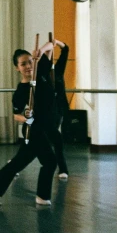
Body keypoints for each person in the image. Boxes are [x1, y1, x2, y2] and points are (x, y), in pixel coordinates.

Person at [0, 41, 58, 206]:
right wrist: (26, 118)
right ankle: (42, 196)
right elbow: (16, 115)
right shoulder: (21, 91)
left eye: (30, 61)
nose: (28, 66)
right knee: (50, 162)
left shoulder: (41, 72)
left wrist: (40, 51)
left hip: (44, 128)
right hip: (33, 129)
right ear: (17, 68)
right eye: (23, 64)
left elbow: (52, 45)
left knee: (18, 163)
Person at [49, 40, 70, 180]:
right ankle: (15, 165)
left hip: (59, 109)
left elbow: (66, 49)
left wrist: (56, 42)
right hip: (47, 110)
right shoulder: (41, 75)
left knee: (56, 139)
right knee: (36, 141)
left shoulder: (58, 70)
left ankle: (63, 168)